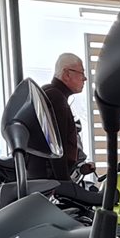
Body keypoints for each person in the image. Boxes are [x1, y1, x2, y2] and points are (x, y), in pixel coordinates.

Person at [34, 52, 87, 181]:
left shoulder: (48, 93)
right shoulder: (56, 99)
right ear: (67, 74)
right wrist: (65, 182)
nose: (85, 78)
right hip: (51, 180)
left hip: (42, 176)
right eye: (81, 73)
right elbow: (57, 148)